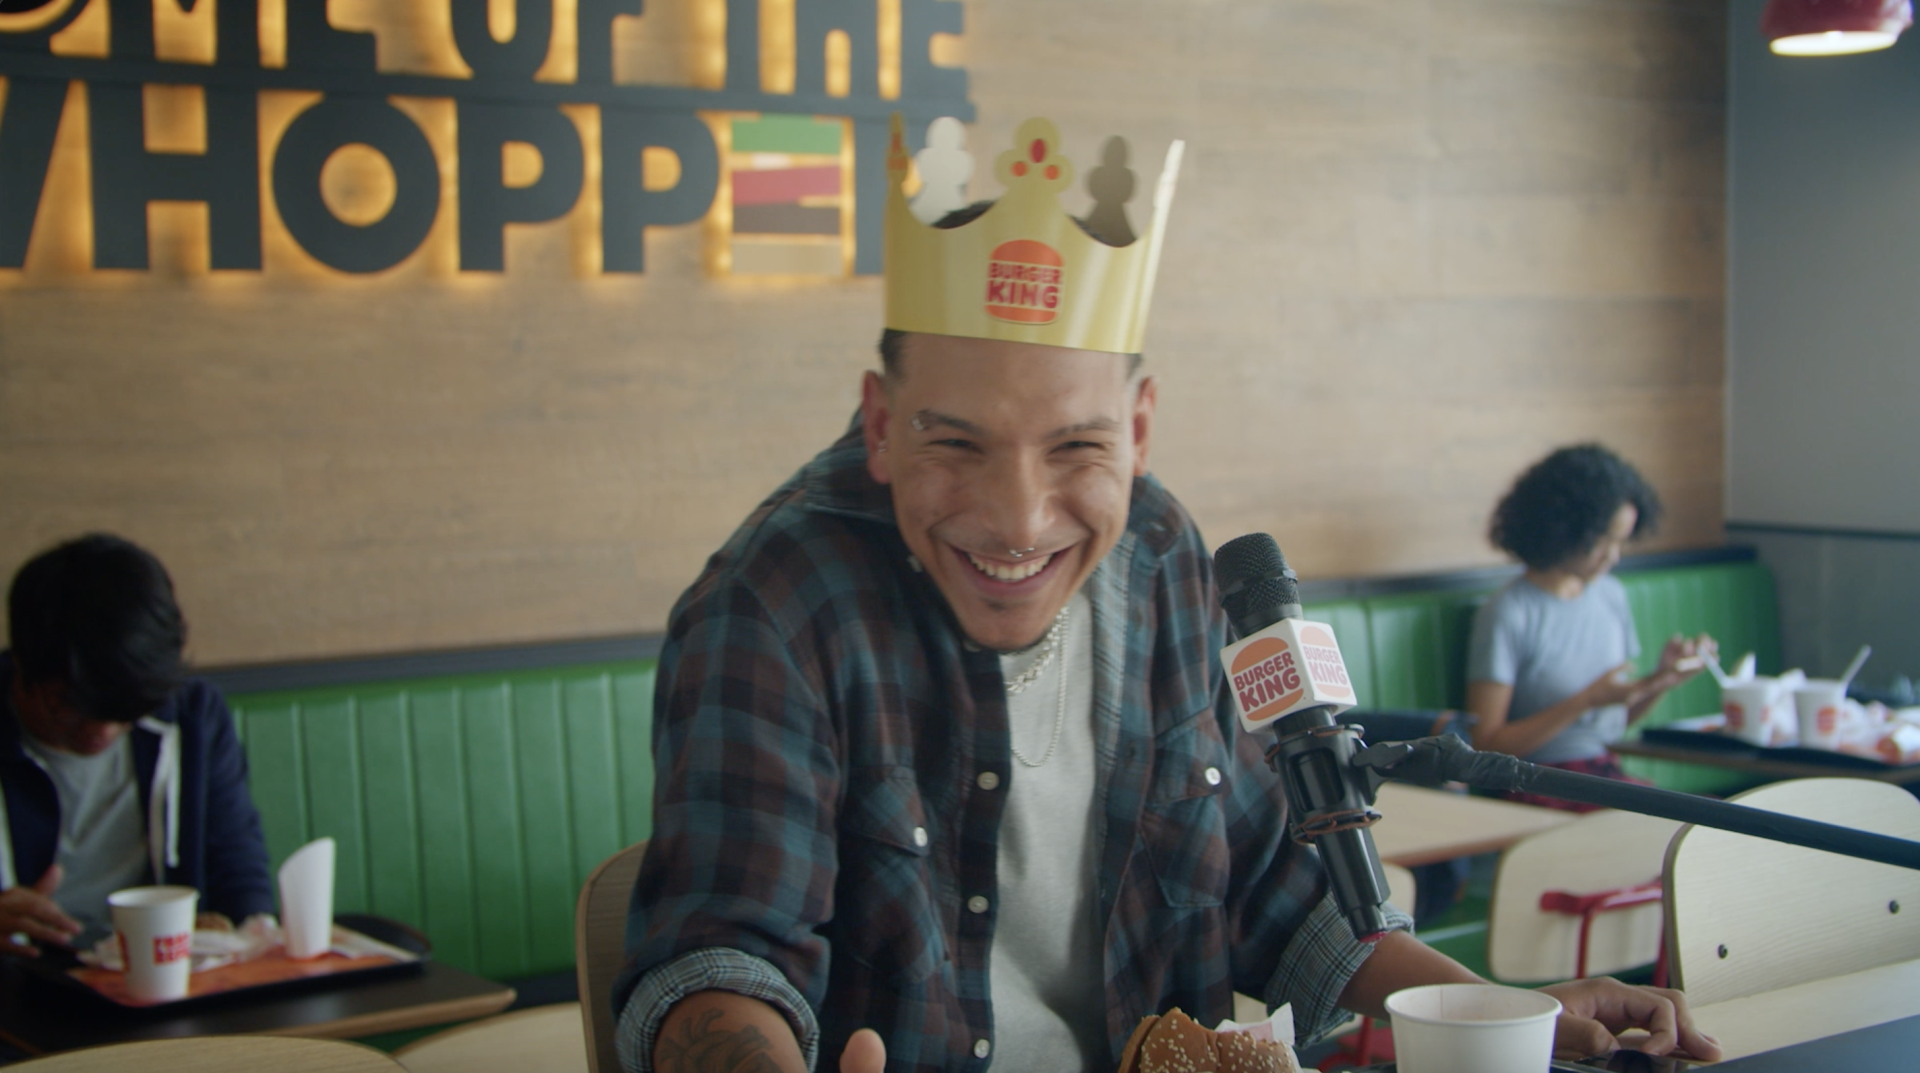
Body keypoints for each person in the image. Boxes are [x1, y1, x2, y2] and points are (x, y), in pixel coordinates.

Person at [615, 117, 1722, 1073]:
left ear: (1140, 428)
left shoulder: (1162, 555)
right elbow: (721, 951)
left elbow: (1271, 884)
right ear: (877, 424)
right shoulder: (777, 600)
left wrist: (1500, 1009)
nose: (1019, 516)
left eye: (1077, 444)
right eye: (954, 441)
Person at [0, 534, 273, 955]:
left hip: (160, 976)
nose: (101, 732)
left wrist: (246, 932)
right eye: (70, 706)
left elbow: (236, 865)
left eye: (123, 711)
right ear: (23, 662)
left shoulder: (191, 717)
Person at [1466, 445, 1717, 812]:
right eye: (1602, 541)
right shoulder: (1508, 612)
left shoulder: (1611, 596)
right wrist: (1587, 700)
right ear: (1564, 528)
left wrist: (1660, 682)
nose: (1613, 556)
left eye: (1621, 541)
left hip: (1603, 773)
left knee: (1709, 827)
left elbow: (1610, 726)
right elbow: (1484, 745)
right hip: (1540, 784)